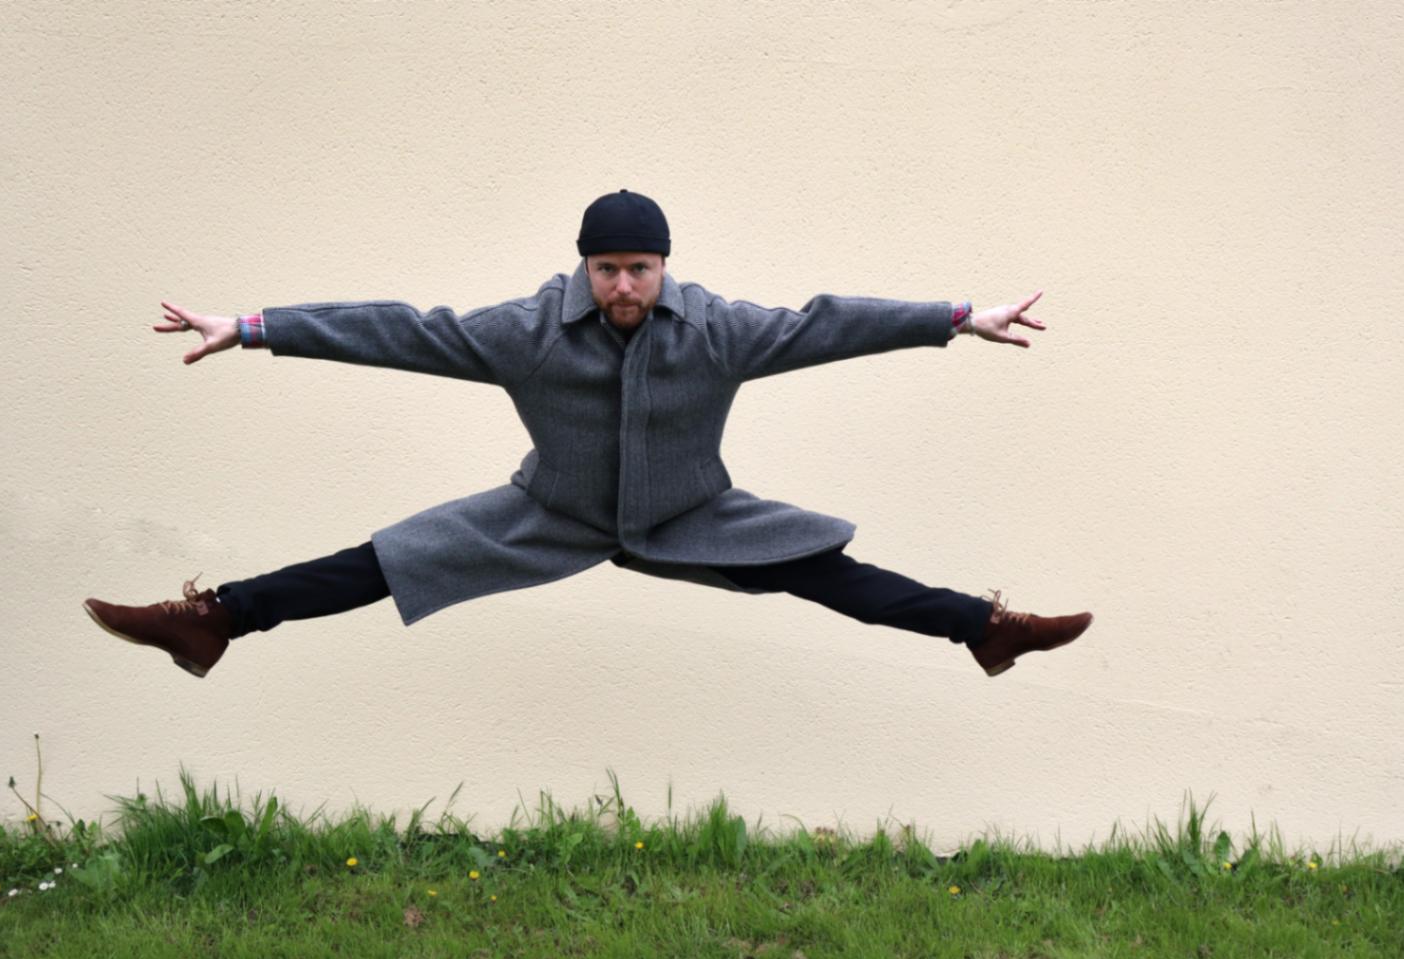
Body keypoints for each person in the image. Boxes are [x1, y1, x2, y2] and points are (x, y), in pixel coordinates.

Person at [84, 190, 1091, 679]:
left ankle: (986, 629)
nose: (622, 284)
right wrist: (253, 328)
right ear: (584, 269)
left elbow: (825, 322)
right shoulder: (525, 331)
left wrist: (957, 316)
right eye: (605, 267)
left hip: (697, 511)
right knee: (387, 561)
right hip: (549, 512)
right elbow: (401, 329)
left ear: (663, 267)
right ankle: (211, 620)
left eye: (638, 267)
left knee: (829, 568)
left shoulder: (719, 328)